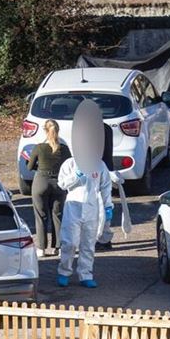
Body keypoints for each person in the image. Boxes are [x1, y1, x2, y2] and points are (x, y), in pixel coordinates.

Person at [56, 155, 113, 289]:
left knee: (88, 244)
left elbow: (105, 186)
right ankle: (64, 272)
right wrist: (76, 175)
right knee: (69, 242)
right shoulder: (69, 163)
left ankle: (85, 275)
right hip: (73, 208)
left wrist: (108, 206)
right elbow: (62, 184)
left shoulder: (99, 165)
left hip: (92, 208)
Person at [26, 119, 70, 257]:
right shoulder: (64, 149)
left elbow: (29, 167)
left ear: (45, 131)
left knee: (41, 216)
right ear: (58, 131)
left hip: (41, 182)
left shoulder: (39, 147)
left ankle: (41, 248)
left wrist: (36, 164)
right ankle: (59, 247)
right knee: (58, 215)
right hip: (59, 183)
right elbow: (69, 165)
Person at [96, 122, 117, 251]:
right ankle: (104, 237)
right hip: (107, 169)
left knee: (98, 208)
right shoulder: (107, 128)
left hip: (96, 171)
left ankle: (102, 238)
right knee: (105, 206)